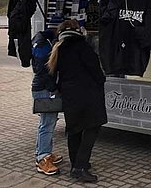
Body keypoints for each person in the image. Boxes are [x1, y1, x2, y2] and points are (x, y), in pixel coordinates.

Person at [47, 20, 107, 183]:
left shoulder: (59, 47)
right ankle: (80, 167)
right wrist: (101, 80)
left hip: (69, 95)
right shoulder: (83, 46)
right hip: (87, 95)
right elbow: (96, 70)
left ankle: (76, 164)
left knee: (74, 129)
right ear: (78, 30)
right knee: (92, 128)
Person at [31, 29, 63, 175]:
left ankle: (44, 153)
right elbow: (42, 71)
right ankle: (42, 158)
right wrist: (53, 89)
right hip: (44, 90)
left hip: (43, 89)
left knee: (47, 123)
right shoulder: (44, 46)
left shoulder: (41, 42)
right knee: (47, 124)